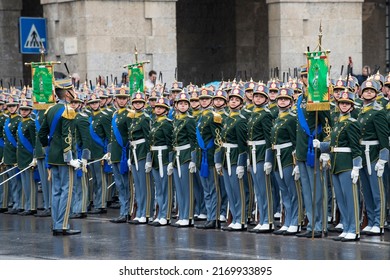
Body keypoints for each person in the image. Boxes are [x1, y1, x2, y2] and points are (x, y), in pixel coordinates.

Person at [314, 89, 362, 241]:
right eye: (342, 103)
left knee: (350, 198)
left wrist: (356, 166)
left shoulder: (352, 124)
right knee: (340, 198)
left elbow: (356, 147)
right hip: (335, 163)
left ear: (352, 106)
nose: (344, 105)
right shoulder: (337, 123)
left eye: (347, 103)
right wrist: (321, 145)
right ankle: (347, 227)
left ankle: (354, 229)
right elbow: (333, 144)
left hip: (347, 163)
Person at [38, 78, 81, 235]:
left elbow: (42, 133)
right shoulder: (68, 110)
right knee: (67, 191)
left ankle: (56, 223)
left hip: (53, 156)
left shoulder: (50, 110)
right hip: (64, 158)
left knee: (56, 191)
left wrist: (48, 149)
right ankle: (63, 225)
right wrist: (69, 158)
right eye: (72, 90)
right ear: (68, 94)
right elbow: (67, 136)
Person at [357, 80, 389, 236]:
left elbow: (383, 136)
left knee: (377, 191)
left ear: (376, 94)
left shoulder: (378, 112)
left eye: (371, 91)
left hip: (374, 154)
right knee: (367, 191)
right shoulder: (360, 111)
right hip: (363, 154)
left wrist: (383, 158)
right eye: (366, 90)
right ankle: (370, 220)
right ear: (361, 93)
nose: (368, 93)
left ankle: (379, 221)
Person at [215, 87, 248, 231]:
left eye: (236, 100)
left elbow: (242, 144)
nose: (233, 102)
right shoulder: (227, 118)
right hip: (226, 157)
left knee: (237, 190)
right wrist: (218, 160)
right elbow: (221, 141)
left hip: (234, 156)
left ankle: (241, 219)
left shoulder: (241, 120)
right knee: (229, 190)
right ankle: (234, 217)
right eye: (232, 100)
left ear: (241, 104)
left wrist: (241, 163)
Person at [268, 87, 299, 235]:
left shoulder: (292, 118)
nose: (282, 101)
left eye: (285, 99)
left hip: (287, 157)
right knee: (284, 192)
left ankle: (295, 221)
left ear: (291, 102)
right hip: (277, 156)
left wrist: (296, 162)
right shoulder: (277, 118)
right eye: (280, 99)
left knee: (292, 191)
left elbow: (295, 141)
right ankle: (287, 221)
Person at [247, 83, 274, 233]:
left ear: (265, 99)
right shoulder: (253, 113)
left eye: (260, 96)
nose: (257, 98)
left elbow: (269, 138)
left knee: (264, 189)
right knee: (258, 189)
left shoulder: (266, 114)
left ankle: (268, 220)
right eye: (256, 96)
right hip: (253, 152)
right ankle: (262, 218)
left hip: (262, 153)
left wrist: (268, 159)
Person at [195, 87, 222, 229]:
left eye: (206, 99)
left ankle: (215, 217)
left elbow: (218, 140)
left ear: (211, 101)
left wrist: (217, 159)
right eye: (202, 99)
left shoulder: (214, 116)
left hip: (210, 158)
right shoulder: (201, 117)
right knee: (206, 190)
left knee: (213, 189)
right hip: (202, 158)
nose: (203, 101)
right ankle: (209, 216)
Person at [171, 91, 197, 227]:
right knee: (179, 188)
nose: (182, 106)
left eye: (185, 103)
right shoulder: (175, 120)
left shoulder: (190, 120)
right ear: (176, 105)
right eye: (180, 103)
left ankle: (188, 216)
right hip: (177, 156)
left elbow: (194, 140)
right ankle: (182, 214)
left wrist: (193, 159)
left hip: (186, 155)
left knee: (187, 188)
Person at [128, 91, 153, 224]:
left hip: (142, 153)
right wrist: (129, 157)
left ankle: (146, 212)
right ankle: (140, 211)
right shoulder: (133, 118)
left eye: (140, 102)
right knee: (137, 185)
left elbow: (149, 139)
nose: (137, 104)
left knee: (144, 185)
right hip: (134, 153)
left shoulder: (145, 118)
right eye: (135, 102)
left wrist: (149, 157)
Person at [148, 97, 173, 226]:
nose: (158, 109)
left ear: (166, 110)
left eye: (161, 107)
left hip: (163, 157)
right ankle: (159, 214)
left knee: (165, 187)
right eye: (157, 107)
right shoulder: (155, 123)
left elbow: (170, 144)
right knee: (159, 188)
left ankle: (165, 215)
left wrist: (170, 161)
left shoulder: (167, 124)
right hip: (155, 157)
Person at [108, 87, 131, 223]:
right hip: (116, 154)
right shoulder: (115, 114)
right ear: (115, 100)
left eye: (124, 98)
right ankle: (123, 210)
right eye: (119, 98)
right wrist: (110, 152)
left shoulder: (129, 114)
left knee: (125, 183)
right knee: (119, 184)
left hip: (124, 154)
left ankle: (126, 211)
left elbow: (130, 136)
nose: (121, 101)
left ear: (127, 99)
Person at [17, 98, 37, 216]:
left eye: (26, 110)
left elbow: (34, 142)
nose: (24, 112)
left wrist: (34, 157)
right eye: (22, 110)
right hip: (21, 157)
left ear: (30, 111)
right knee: (25, 183)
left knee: (30, 183)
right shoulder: (21, 123)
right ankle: (26, 205)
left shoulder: (31, 123)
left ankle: (32, 206)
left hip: (29, 156)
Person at [3, 94, 23, 214]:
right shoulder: (7, 120)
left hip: (16, 154)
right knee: (12, 181)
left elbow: (19, 141)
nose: (11, 108)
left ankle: (18, 204)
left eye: (13, 106)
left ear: (17, 107)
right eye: (9, 106)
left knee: (17, 182)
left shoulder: (19, 120)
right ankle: (15, 203)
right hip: (8, 154)